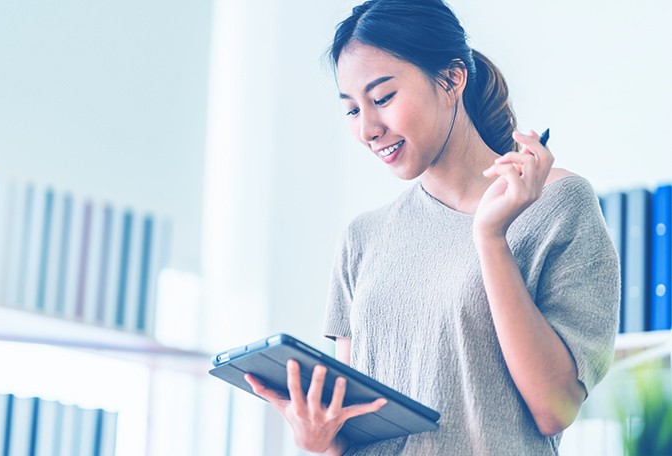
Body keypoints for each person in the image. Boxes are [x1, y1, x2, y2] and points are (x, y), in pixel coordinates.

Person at [244, 0, 620, 454]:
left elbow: (554, 407)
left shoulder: (555, 204)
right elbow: (353, 425)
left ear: (452, 78)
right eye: (351, 110)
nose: (368, 128)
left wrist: (490, 237)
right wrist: (320, 439)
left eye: (382, 98)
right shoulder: (364, 238)